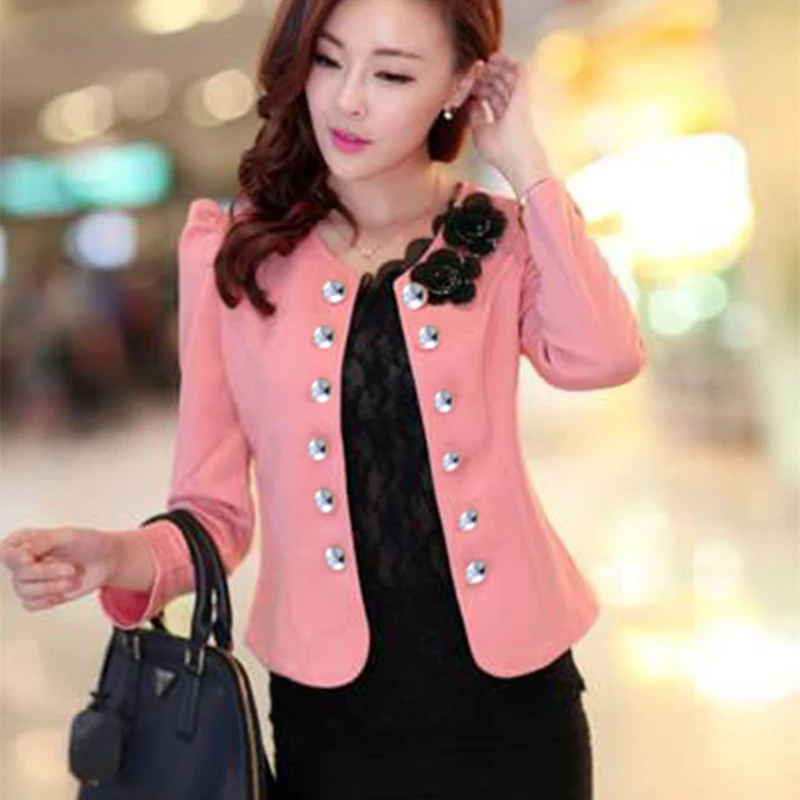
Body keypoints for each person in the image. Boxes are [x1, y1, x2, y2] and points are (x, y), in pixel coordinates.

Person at [1, 0, 648, 797]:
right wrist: (118, 556)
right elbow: (212, 513)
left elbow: (604, 355)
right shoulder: (232, 257)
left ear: (460, 85)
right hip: (336, 725)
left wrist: (528, 163)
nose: (346, 99)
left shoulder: (502, 237)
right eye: (329, 59)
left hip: (517, 714)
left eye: (392, 75)